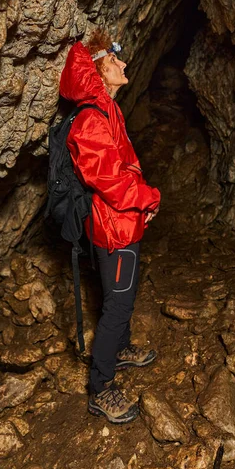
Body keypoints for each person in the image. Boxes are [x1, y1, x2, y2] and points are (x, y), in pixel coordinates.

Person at [59, 30, 161, 424]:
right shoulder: (90, 119)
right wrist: (148, 197)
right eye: (115, 60)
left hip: (123, 221)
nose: (124, 63)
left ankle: (119, 349)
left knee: (122, 295)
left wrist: (141, 204)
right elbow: (112, 181)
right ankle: (101, 387)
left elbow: (124, 169)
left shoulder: (108, 111)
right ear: (100, 68)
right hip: (113, 226)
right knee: (117, 304)